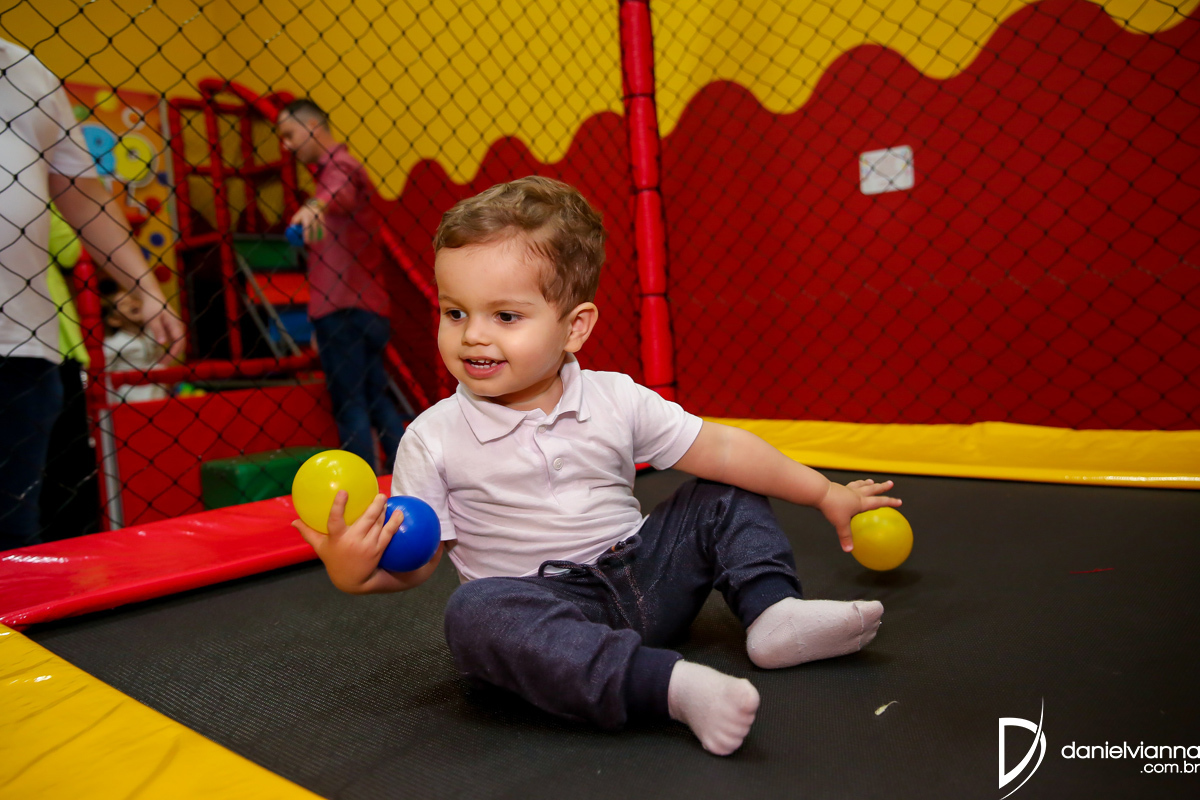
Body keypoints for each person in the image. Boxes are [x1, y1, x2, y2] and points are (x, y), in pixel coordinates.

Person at [294, 176, 900, 756]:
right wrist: (356, 574)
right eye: (455, 313)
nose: (472, 336)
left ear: (575, 327)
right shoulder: (432, 438)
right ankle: (667, 686)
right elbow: (420, 560)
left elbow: (722, 448)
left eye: (505, 316)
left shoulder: (616, 397)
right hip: (548, 612)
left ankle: (774, 615)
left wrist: (824, 493)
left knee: (723, 491)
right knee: (473, 614)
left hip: (646, 577)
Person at [0, 38, 185, 551]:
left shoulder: (30, 75)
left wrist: (146, 287)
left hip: (23, 348)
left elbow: (82, 197)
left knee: (15, 534)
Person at [276, 99, 406, 473]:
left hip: (343, 310)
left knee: (350, 404)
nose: (286, 145)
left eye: (290, 134)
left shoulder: (340, 167)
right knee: (375, 396)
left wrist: (315, 205)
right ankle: (404, 471)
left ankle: (363, 483)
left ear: (313, 126)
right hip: (364, 307)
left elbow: (340, 189)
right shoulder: (334, 172)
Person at [102, 288, 169, 403]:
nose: (132, 304)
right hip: (130, 399)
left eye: (134, 299)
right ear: (114, 320)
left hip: (157, 394)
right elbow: (104, 372)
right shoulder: (114, 343)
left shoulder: (153, 334)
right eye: (123, 304)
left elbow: (161, 358)